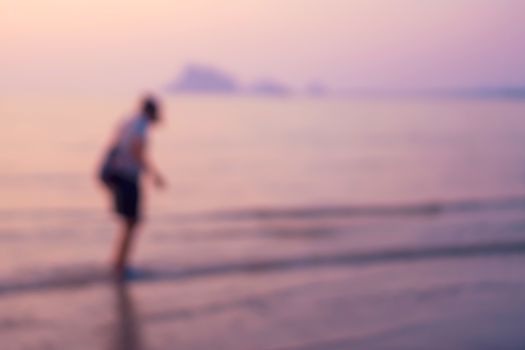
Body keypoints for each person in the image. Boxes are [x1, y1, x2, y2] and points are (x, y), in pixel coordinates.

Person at [99, 95, 165, 278]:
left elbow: (114, 145)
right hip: (127, 176)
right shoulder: (141, 124)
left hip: (118, 173)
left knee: (128, 222)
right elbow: (137, 149)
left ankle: (118, 263)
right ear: (152, 111)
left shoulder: (128, 121)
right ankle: (121, 267)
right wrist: (154, 174)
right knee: (132, 222)